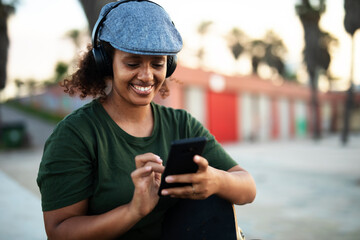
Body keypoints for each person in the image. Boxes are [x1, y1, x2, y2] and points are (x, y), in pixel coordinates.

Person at [37, 0, 256, 239]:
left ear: (169, 66)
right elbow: (59, 232)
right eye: (132, 63)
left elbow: (248, 187)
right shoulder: (76, 135)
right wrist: (133, 210)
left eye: (157, 64)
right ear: (106, 62)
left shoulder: (181, 124)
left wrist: (215, 179)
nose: (146, 76)